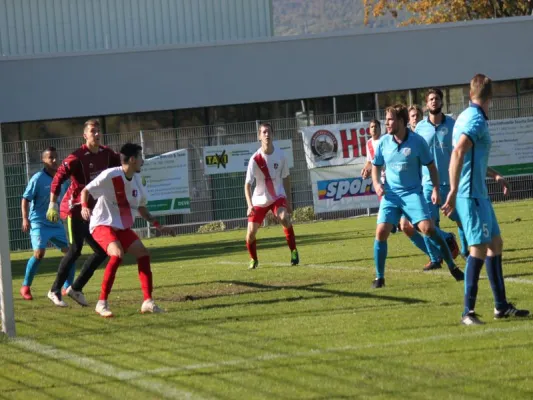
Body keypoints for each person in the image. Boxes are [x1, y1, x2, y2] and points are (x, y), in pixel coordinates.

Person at [442, 73, 529, 325]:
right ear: (490, 97)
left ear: (471, 94)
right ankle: (467, 312)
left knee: (496, 243)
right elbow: (458, 152)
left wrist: (494, 175)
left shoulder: (464, 117)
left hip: (478, 193)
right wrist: (454, 190)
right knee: (478, 248)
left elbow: (471, 157)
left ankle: (501, 306)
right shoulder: (476, 121)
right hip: (471, 195)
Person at [371, 104, 464, 288]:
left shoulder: (417, 141)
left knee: (428, 229)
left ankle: (452, 266)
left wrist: (436, 189)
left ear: (401, 121)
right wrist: (376, 184)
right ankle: (379, 278)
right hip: (391, 195)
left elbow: (431, 166)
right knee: (381, 232)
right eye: (386, 119)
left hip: (412, 193)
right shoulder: (384, 142)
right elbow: (376, 165)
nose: (386, 123)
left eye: (390, 119)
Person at [76, 142, 173, 317]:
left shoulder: (137, 181)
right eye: (141, 157)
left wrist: (158, 225)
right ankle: (101, 303)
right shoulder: (110, 175)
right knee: (117, 253)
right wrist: (84, 206)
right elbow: (86, 190)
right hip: (101, 223)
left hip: (121, 226)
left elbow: (141, 208)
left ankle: (148, 302)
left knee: (143, 253)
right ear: (133, 159)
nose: (143, 161)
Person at [46, 119, 121, 307]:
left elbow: (121, 163)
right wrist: (52, 204)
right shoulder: (77, 157)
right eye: (92, 131)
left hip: (95, 213)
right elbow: (58, 178)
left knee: (102, 251)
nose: (96, 134)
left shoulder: (106, 154)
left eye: (98, 131)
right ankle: (54, 291)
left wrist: (134, 161)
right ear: (85, 135)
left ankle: (76, 288)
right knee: (75, 249)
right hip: (75, 210)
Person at [405, 88, 463, 271]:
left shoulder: (453, 124)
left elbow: (460, 150)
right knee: (428, 224)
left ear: (441, 102)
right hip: (428, 185)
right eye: (431, 99)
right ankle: (435, 259)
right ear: (427, 103)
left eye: (437, 98)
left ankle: (468, 251)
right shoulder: (420, 128)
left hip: (450, 183)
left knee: (462, 219)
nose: (434, 101)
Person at [20, 147, 75, 300]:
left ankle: (67, 287)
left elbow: (63, 198)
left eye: (56, 157)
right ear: (44, 160)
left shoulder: (61, 179)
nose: (55, 160)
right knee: (39, 254)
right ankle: (25, 287)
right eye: (50, 157)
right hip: (38, 222)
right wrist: (25, 218)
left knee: (71, 253)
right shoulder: (37, 178)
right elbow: (25, 199)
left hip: (55, 223)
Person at [245, 122, 299, 270]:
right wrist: (250, 205)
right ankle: (253, 259)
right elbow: (247, 185)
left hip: (277, 196)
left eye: (269, 132)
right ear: (259, 136)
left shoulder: (281, 155)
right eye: (264, 132)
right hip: (259, 199)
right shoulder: (254, 159)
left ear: (273, 134)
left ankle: (293, 251)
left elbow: (286, 177)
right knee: (250, 233)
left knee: (284, 218)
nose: (267, 134)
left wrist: (288, 201)